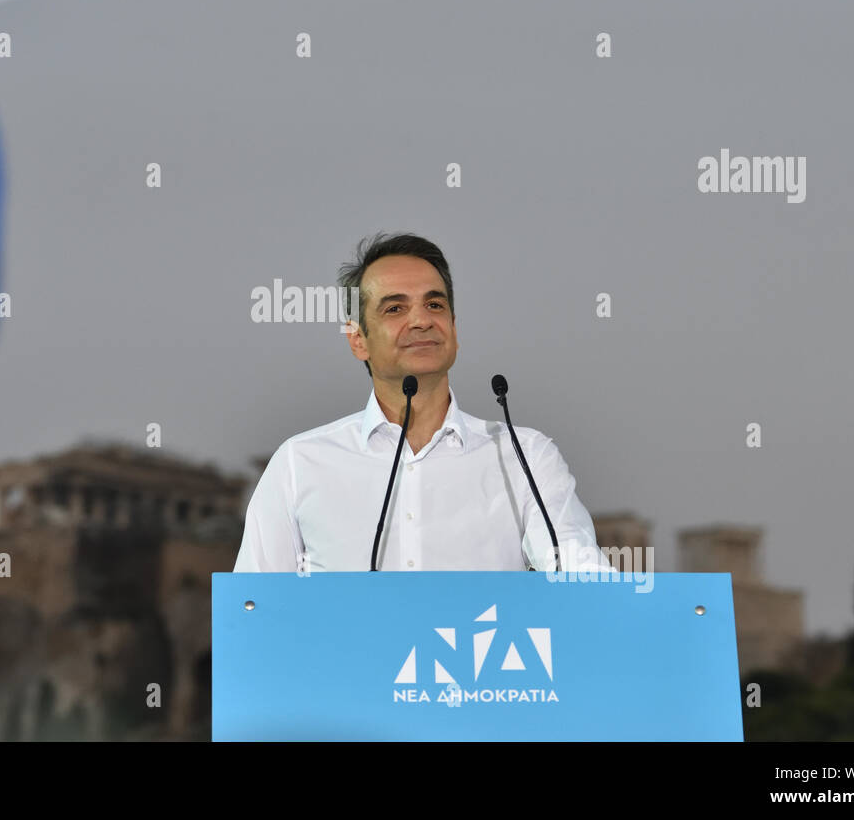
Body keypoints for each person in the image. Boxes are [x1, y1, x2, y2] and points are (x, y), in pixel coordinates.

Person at [234, 232, 614, 574]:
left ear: (454, 329)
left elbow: (585, 586)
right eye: (394, 308)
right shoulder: (300, 463)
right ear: (358, 340)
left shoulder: (525, 457)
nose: (421, 321)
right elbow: (255, 614)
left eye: (435, 305)